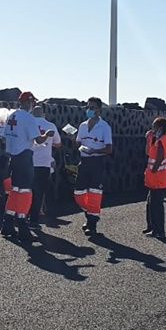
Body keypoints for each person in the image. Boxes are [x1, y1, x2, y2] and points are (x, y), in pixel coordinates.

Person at [2, 91, 55, 240]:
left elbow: (5, 136)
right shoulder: (29, 118)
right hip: (24, 157)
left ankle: (7, 223)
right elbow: (38, 140)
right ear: (29, 102)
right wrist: (47, 135)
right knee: (25, 192)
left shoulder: (12, 116)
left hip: (13, 158)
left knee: (15, 191)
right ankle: (23, 227)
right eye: (33, 102)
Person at [74, 97, 113, 236]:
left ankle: (92, 224)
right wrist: (75, 142)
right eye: (88, 107)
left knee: (95, 193)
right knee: (78, 193)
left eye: (92, 107)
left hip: (98, 162)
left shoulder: (105, 127)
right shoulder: (83, 126)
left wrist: (94, 151)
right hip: (84, 162)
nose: (89, 110)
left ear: (99, 110)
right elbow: (78, 143)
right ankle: (90, 214)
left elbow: (109, 149)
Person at [29, 104, 62, 229]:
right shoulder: (50, 126)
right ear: (43, 114)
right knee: (38, 193)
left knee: (26, 191)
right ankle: (33, 220)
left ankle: (22, 217)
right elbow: (58, 144)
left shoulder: (28, 124)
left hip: (28, 162)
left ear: (32, 113)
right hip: (43, 163)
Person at [144, 117, 166, 237]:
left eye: (154, 126)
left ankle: (159, 231)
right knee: (150, 203)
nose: (152, 129)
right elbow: (148, 152)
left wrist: (154, 170)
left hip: (159, 178)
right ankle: (151, 226)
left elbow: (161, 156)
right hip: (155, 178)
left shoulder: (163, 139)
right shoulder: (157, 139)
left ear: (160, 128)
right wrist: (149, 140)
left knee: (156, 205)